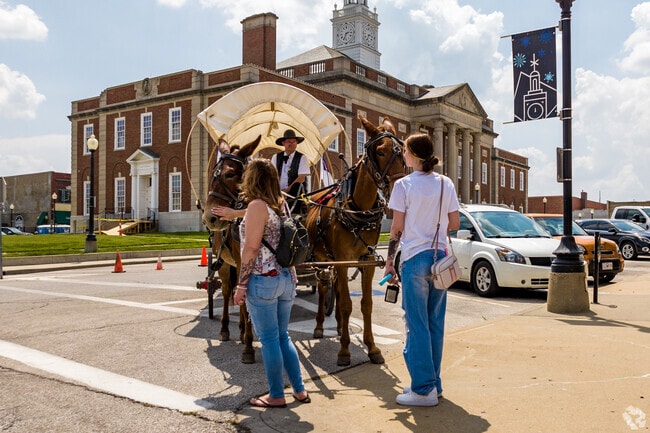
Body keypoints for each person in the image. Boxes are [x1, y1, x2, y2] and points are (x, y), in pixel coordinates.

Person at [383, 133, 460, 407]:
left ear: (413, 155)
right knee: (434, 324)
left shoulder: (403, 185)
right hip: (440, 259)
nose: (402, 155)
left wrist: (389, 260)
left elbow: (396, 228)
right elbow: (455, 223)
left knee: (416, 326)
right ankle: (432, 383)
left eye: (404, 151)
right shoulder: (445, 183)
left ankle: (423, 389)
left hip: (415, 258)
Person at [232, 158, 310, 408]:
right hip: (286, 278)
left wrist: (241, 284)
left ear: (251, 179)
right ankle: (299, 390)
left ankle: (276, 394)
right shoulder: (280, 204)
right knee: (283, 335)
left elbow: (252, 248)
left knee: (268, 339)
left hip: (264, 280)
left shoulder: (256, 206)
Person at [270, 129, 310, 212]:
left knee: (297, 187)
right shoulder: (276, 157)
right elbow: (272, 176)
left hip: (295, 195)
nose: (291, 144)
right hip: (277, 193)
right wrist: (277, 191)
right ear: (283, 143)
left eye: (294, 142)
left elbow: (301, 178)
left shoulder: (302, 157)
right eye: (288, 141)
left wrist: (286, 192)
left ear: (296, 144)